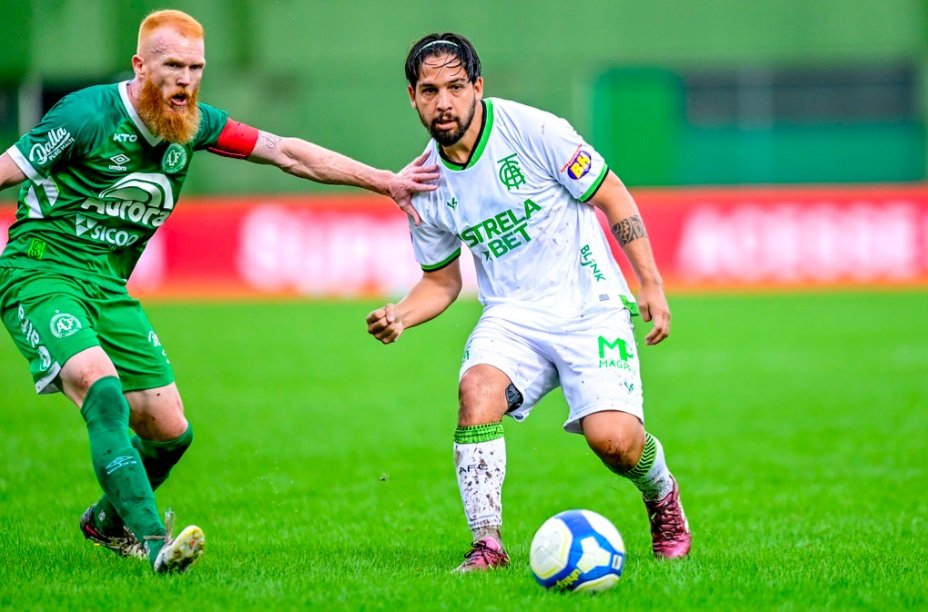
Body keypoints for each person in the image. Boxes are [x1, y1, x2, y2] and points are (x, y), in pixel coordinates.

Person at [0, 9, 437, 575]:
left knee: (170, 431)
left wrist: (384, 181)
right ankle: (155, 542)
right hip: (42, 271)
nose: (185, 79)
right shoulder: (87, 114)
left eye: (196, 68)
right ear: (139, 66)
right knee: (102, 391)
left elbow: (286, 151)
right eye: (172, 66)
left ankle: (106, 522)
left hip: (106, 287)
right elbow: (9, 168)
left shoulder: (196, 125)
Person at [366, 33, 691, 572]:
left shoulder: (534, 130)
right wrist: (402, 313)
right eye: (429, 91)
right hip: (512, 317)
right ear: (412, 96)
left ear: (477, 86)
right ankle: (487, 545)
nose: (442, 102)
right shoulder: (422, 182)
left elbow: (612, 194)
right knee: (476, 389)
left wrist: (649, 283)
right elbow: (443, 282)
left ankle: (661, 494)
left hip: (590, 307)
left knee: (615, 444)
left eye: (454, 87)